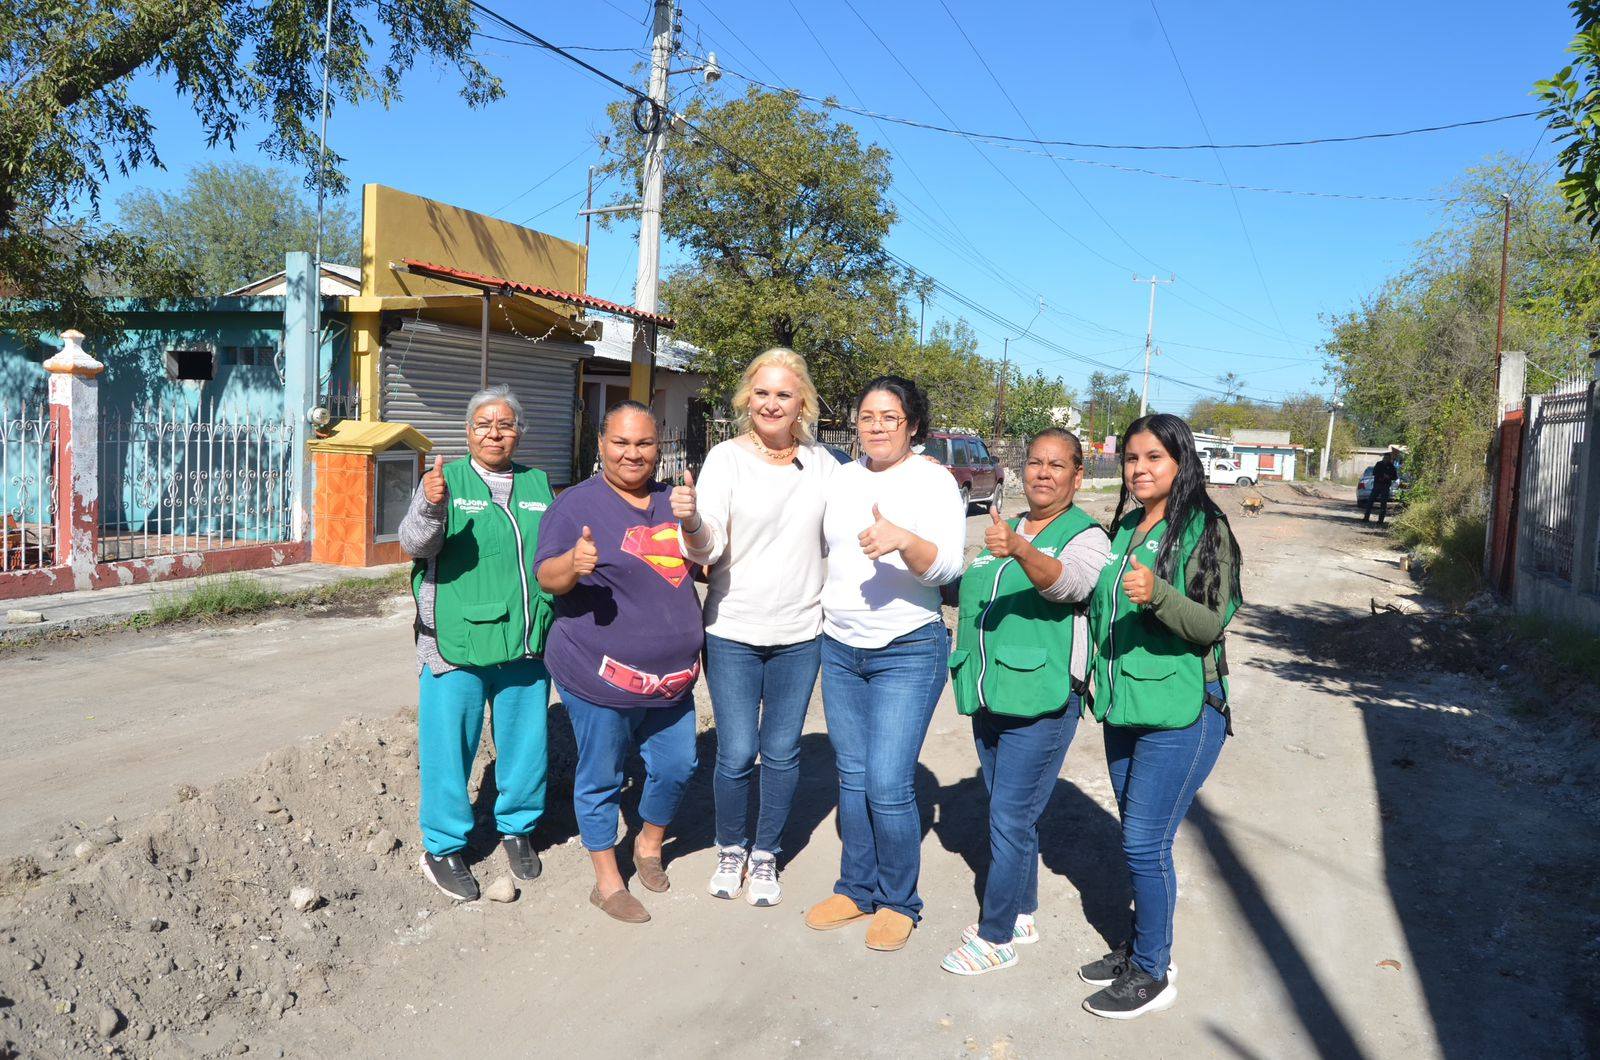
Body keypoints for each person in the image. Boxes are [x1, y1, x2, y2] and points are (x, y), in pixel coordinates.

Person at [1080, 412, 1243, 1019]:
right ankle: (1142, 946)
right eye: (1131, 458)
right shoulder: (1124, 527)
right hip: (1127, 705)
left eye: (1154, 457)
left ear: (1181, 463)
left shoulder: (1206, 527)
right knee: (1137, 839)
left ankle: (1154, 970)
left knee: (1145, 841)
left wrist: (1160, 596)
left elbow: (1210, 623)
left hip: (1185, 711)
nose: (1140, 469)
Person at [803, 376, 966, 952]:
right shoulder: (843, 479)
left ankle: (900, 901)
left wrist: (903, 539)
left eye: (889, 417)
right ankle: (856, 888)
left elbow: (947, 568)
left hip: (907, 648)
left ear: (913, 424)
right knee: (852, 776)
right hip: (841, 648)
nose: (876, 427)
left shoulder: (933, 480)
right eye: (867, 416)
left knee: (889, 782)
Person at [939, 429, 1110, 976]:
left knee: (1009, 817)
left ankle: (996, 938)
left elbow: (1073, 586)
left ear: (1077, 476)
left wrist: (1022, 550)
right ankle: (1023, 914)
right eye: (1034, 462)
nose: (1042, 473)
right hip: (992, 693)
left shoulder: (1087, 535)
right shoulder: (1004, 528)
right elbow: (968, 590)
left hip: (1043, 700)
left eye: (1056, 465)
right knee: (1011, 813)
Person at [674, 349, 834, 907]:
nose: (771, 403)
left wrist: (917, 464)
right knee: (738, 751)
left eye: (784, 394)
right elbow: (707, 545)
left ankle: (766, 855)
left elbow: (859, 511)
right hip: (733, 629)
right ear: (748, 399)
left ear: (802, 404)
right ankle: (731, 847)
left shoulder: (823, 465)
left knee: (784, 751)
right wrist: (690, 521)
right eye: (762, 393)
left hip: (800, 632)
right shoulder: (725, 460)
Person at [534, 401, 704, 924]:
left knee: (678, 764)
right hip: (599, 675)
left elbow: (702, 564)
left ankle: (648, 846)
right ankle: (607, 881)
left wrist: (696, 521)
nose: (633, 454)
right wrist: (572, 563)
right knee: (601, 776)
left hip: (672, 681)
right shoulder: (575, 506)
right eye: (621, 443)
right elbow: (547, 578)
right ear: (601, 446)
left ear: (660, 447)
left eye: (644, 443)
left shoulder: (670, 502)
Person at [398, 385, 555, 902]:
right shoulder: (445, 482)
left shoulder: (537, 483)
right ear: (468, 432)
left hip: (525, 644)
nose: (495, 432)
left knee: (526, 746)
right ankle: (442, 846)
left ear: (519, 433)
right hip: (455, 644)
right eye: (484, 424)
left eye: (506, 424)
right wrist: (430, 504)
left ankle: (517, 828)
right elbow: (414, 545)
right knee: (450, 747)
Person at [1365, 449, 1400, 525]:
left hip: (1385, 486)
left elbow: (1395, 477)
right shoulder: (1379, 464)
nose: (1386, 459)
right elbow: (1374, 472)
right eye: (1385, 458)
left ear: (1389, 459)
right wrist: (1381, 475)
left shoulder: (1391, 466)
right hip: (1377, 485)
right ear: (1383, 458)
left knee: (1383, 504)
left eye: (1387, 458)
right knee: (1370, 501)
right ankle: (1366, 518)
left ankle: (1380, 521)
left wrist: (1389, 477)